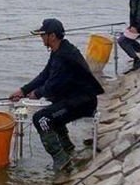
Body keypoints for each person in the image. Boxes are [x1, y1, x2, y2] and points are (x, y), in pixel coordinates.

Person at [9, 18, 105, 173]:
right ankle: (68, 149)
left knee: (42, 119)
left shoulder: (64, 56)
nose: (41, 38)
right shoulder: (59, 50)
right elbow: (45, 75)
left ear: (52, 36)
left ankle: (61, 159)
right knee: (52, 111)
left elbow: (53, 84)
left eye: (43, 35)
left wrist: (36, 94)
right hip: (73, 98)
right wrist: (23, 91)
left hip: (82, 102)